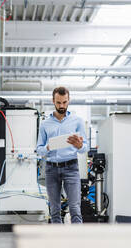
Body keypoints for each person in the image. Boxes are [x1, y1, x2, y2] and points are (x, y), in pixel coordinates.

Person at [37, 86, 88, 223]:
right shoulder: (45, 124)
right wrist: (48, 147)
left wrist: (79, 146)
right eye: (58, 103)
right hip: (51, 168)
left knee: (75, 208)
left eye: (64, 102)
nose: (61, 106)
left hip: (71, 167)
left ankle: (78, 243)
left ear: (68, 100)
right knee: (54, 209)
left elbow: (85, 148)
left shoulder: (77, 121)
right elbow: (39, 149)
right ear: (53, 101)